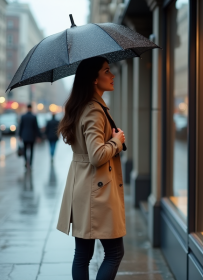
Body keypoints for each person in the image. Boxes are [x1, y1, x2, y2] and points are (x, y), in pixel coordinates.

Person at [56, 57, 126, 280]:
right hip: (97, 190)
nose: (112, 75)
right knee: (115, 252)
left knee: (83, 254)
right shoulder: (94, 111)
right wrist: (117, 141)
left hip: (84, 186)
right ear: (94, 79)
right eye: (107, 71)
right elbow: (96, 156)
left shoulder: (83, 107)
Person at [19, 104, 41, 168]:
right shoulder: (34, 117)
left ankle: (26, 161)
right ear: (31, 108)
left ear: (27, 108)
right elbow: (36, 127)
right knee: (31, 150)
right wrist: (39, 136)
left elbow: (21, 127)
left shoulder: (23, 116)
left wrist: (20, 135)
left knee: (25, 149)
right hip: (32, 136)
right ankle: (30, 164)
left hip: (24, 135)